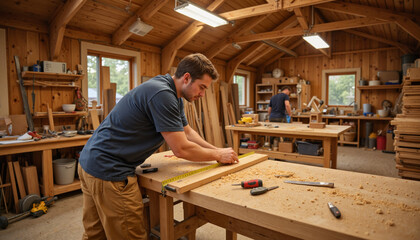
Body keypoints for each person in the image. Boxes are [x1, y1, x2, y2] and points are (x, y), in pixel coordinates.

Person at [78, 53, 239, 240]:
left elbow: (188, 132)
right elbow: (181, 149)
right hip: (110, 172)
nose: (202, 94)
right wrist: (217, 156)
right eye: (201, 87)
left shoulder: (171, 93)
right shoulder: (163, 95)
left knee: (95, 235)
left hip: (89, 163)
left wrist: (218, 151)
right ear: (186, 77)